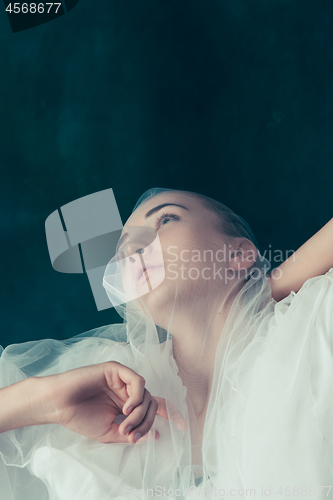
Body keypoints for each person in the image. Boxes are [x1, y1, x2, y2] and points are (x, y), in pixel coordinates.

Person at [0, 188, 333, 500]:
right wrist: (46, 400)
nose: (132, 249)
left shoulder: (308, 331)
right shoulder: (113, 393)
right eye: (122, 250)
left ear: (239, 253)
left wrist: (268, 292)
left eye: (167, 219)